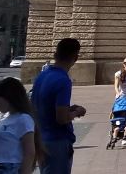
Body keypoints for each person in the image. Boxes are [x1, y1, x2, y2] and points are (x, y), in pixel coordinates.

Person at [31, 38, 86, 174]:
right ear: (76, 57)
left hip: (41, 137)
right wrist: (77, 111)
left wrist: (68, 109)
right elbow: (61, 118)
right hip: (57, 141)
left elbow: (38, 106)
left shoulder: (42, 75)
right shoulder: (63, 80)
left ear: (56, 54)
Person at [0, 77, 39, 174]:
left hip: (8, 168)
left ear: (8, 98)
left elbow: (29, 152)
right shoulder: (9, 117)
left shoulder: (23, 119)